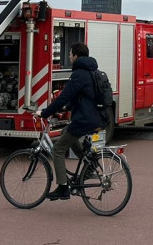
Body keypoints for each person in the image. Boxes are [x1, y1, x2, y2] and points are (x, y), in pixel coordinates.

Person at [38, 42, 103, 201]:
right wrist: (66, 108)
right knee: (65, 132)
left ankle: (62, 187)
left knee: (58, 150)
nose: (68, 56)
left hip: (84, 119)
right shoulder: (92, 71)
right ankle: (90, 164)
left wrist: (45, 113)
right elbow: (79, 97)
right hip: (95, 117)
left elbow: (64, 96)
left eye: (70, 54)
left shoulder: (79, 74)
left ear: (76, 56)